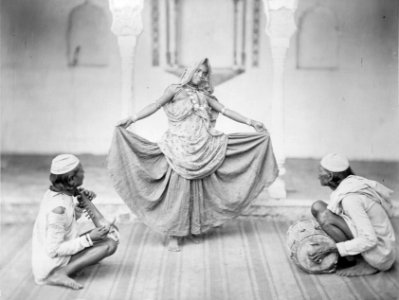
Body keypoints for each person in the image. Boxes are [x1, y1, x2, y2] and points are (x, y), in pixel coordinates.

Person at [108, 58, 278, 251]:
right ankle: (174, 234)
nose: (201, 76)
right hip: (179, 147)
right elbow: (155, 105)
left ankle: (194, 229)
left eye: (204, 73)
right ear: (190, 71)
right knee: (178, 190)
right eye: (198, 71)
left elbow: (226, 111)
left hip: (203, 146)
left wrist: (250, 122)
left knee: (198, 188)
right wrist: (132, 119)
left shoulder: (204, 95)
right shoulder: (174, 89)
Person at [32, 154, 118, 289]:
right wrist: (89, 238)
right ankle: (59, 274)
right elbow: (53, 250)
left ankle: (79, 262)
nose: (84, 173)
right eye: (81, 171)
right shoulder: (58, 208)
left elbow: (66, 222)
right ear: (72, 179)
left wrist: (81, 205)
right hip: (51, 264)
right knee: (109, 244)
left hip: (56, 254)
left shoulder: (56, 193)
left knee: (111, 233)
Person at [309, 153, 396, 276]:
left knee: (326, 217)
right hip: (381, 247)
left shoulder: (351, 199)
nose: (318, 175)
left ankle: (362, 262)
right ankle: (353, 257)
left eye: (320, 171)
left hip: (380, 254)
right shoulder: (350, 184)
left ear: (330, 176)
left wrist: (333, 248)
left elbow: (370, 239)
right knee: (319, 207)